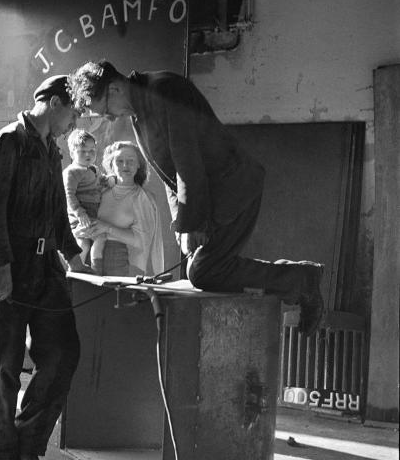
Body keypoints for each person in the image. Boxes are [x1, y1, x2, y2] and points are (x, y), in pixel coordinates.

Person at [67, 60, 324, 336]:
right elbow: (168, 175)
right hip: (211, 198)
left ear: (115, 88)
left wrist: (191, 225)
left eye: (104, 110)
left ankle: (302, 279)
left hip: (234, 188)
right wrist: (180, 221)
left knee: (204, 272)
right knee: (199, 268)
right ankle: (295, 279)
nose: (108, 117)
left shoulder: (165, 90)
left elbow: (188, 163)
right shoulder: (138, 115)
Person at [0, 75, 90, 460]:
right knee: (4, 362)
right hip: (7, 269)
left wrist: (74, 256)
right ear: (54, 103)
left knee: (63, 351)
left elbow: (56, 213)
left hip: (44, 270)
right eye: (72, 112)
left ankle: (27, 441)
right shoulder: (9, 141)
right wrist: (0, 266)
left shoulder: (50, 152)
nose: (74, 123)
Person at [84, 140, 164, 276]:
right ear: (111, 164)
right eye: (119, 161)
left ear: (139, 164)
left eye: (131, 161)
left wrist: (107, 228)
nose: (125, 165)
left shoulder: (143, 198)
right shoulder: (99, 191)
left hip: (123, 265)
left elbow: (141, 241)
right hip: (89, 259)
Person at [62, 129, 112, 270]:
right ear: (72, 154)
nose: (88, 154)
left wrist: (106, 180)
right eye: (82, 151)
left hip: (92, 212)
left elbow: (98, 180)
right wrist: (79, 212)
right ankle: (82, 269)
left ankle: (87, 268)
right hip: (81, 215)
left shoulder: (93, 169)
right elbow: (68, 194)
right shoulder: (72, 171)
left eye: (92, 150)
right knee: (87, 241)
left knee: (94, 239)